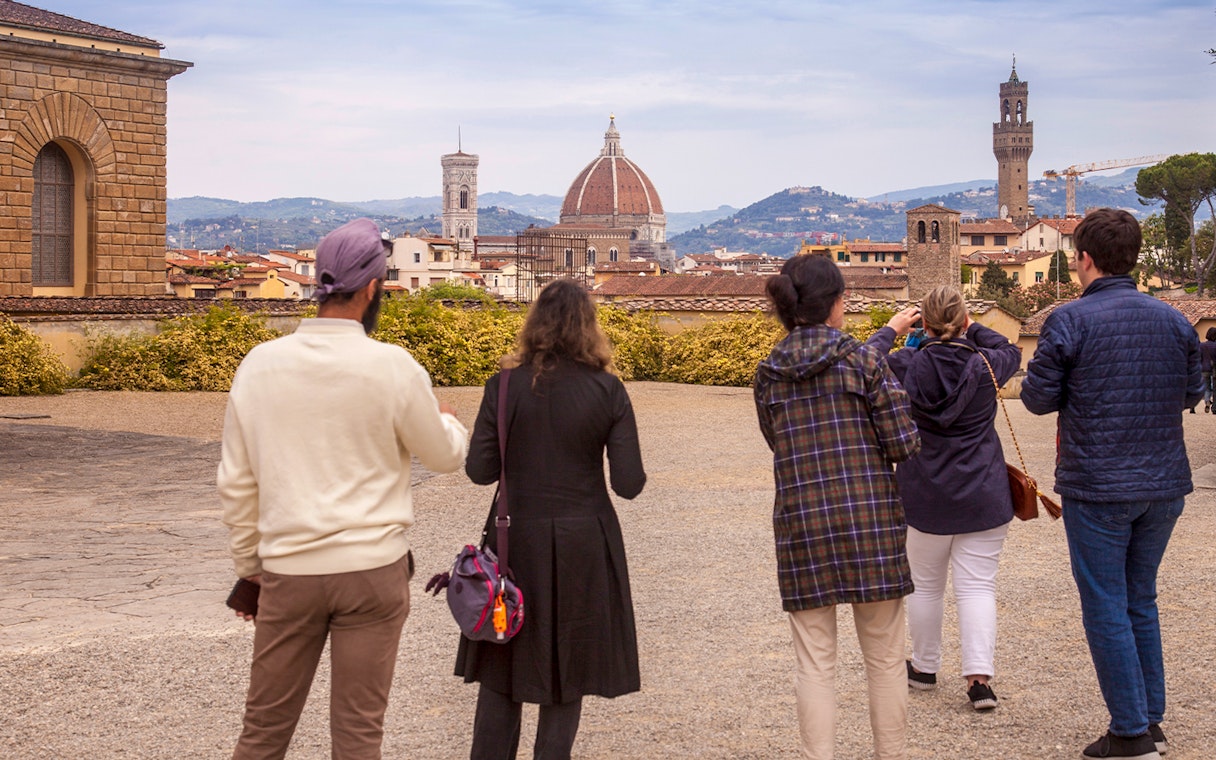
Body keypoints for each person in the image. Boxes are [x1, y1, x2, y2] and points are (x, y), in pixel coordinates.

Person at [219, 217, 469, 759]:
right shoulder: (393, 367)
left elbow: (237, 483)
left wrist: (249, 569)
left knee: (263, 731)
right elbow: (445, 457)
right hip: (372, 572)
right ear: (374, 288)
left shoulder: (260, 366)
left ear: (316, 284)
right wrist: (449, 420)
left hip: (290, 571)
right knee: (358, 734)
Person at [1022, 208, 1202, 760]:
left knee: (1105, 605)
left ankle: (1130, 733)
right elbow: (1193, 394)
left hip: (1098, 484)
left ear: (1084, 259)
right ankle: (1150, 718)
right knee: (1139, 600)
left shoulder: (1069, 321)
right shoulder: (1173, 320)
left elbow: (1036, 399)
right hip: (1164, 483)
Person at [454, 278, 646, 760]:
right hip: (584, 540)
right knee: (569, 668)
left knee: (503, 660)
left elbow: (479, 471)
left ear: (534, 325)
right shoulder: (608, 390)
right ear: (589, 328)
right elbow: (629, 482)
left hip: (515, 540)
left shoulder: (503, 387)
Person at [753, 254, 921, 760]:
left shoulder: (768, 373)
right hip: (869, 520)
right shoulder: (864, 361)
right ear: (835, 304)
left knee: (814, 663)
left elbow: (776, 442)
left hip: (802, 523)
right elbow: (902, 444)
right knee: (886, 660)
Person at [869, 285, 1022, 712]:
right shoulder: (989, 364)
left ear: (926, 324)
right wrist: (971, 327)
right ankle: (978, 680)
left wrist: (893, 329)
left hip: (924, 490)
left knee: (926, 585)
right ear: (961, 320)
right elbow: (1011, 346)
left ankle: (924, 666)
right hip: (982, 490)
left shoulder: (905, 363)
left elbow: (862, 365)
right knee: (977, 587)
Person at [1199, 327, 1216, 413]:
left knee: (1207, 388)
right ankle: (1214, 405)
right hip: (1214, 370)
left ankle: (1207, 400)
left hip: (1204, 368)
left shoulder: (1202, 345)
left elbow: (1199, 357)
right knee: (1215, 388)